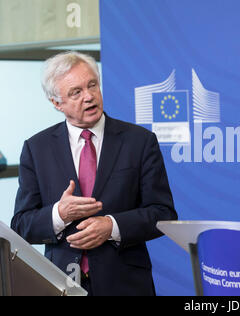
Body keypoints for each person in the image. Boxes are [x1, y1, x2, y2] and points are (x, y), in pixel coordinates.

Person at [11, 51, 177, 296]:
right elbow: (21, 225)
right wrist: (60, 213)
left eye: (92, 85)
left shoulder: (139, 142)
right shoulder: (37, 149)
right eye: (76, 92)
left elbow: (163, 213)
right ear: (57, 103)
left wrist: (111, 226)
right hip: (62, 284)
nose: (89, 96)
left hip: (126, 284)